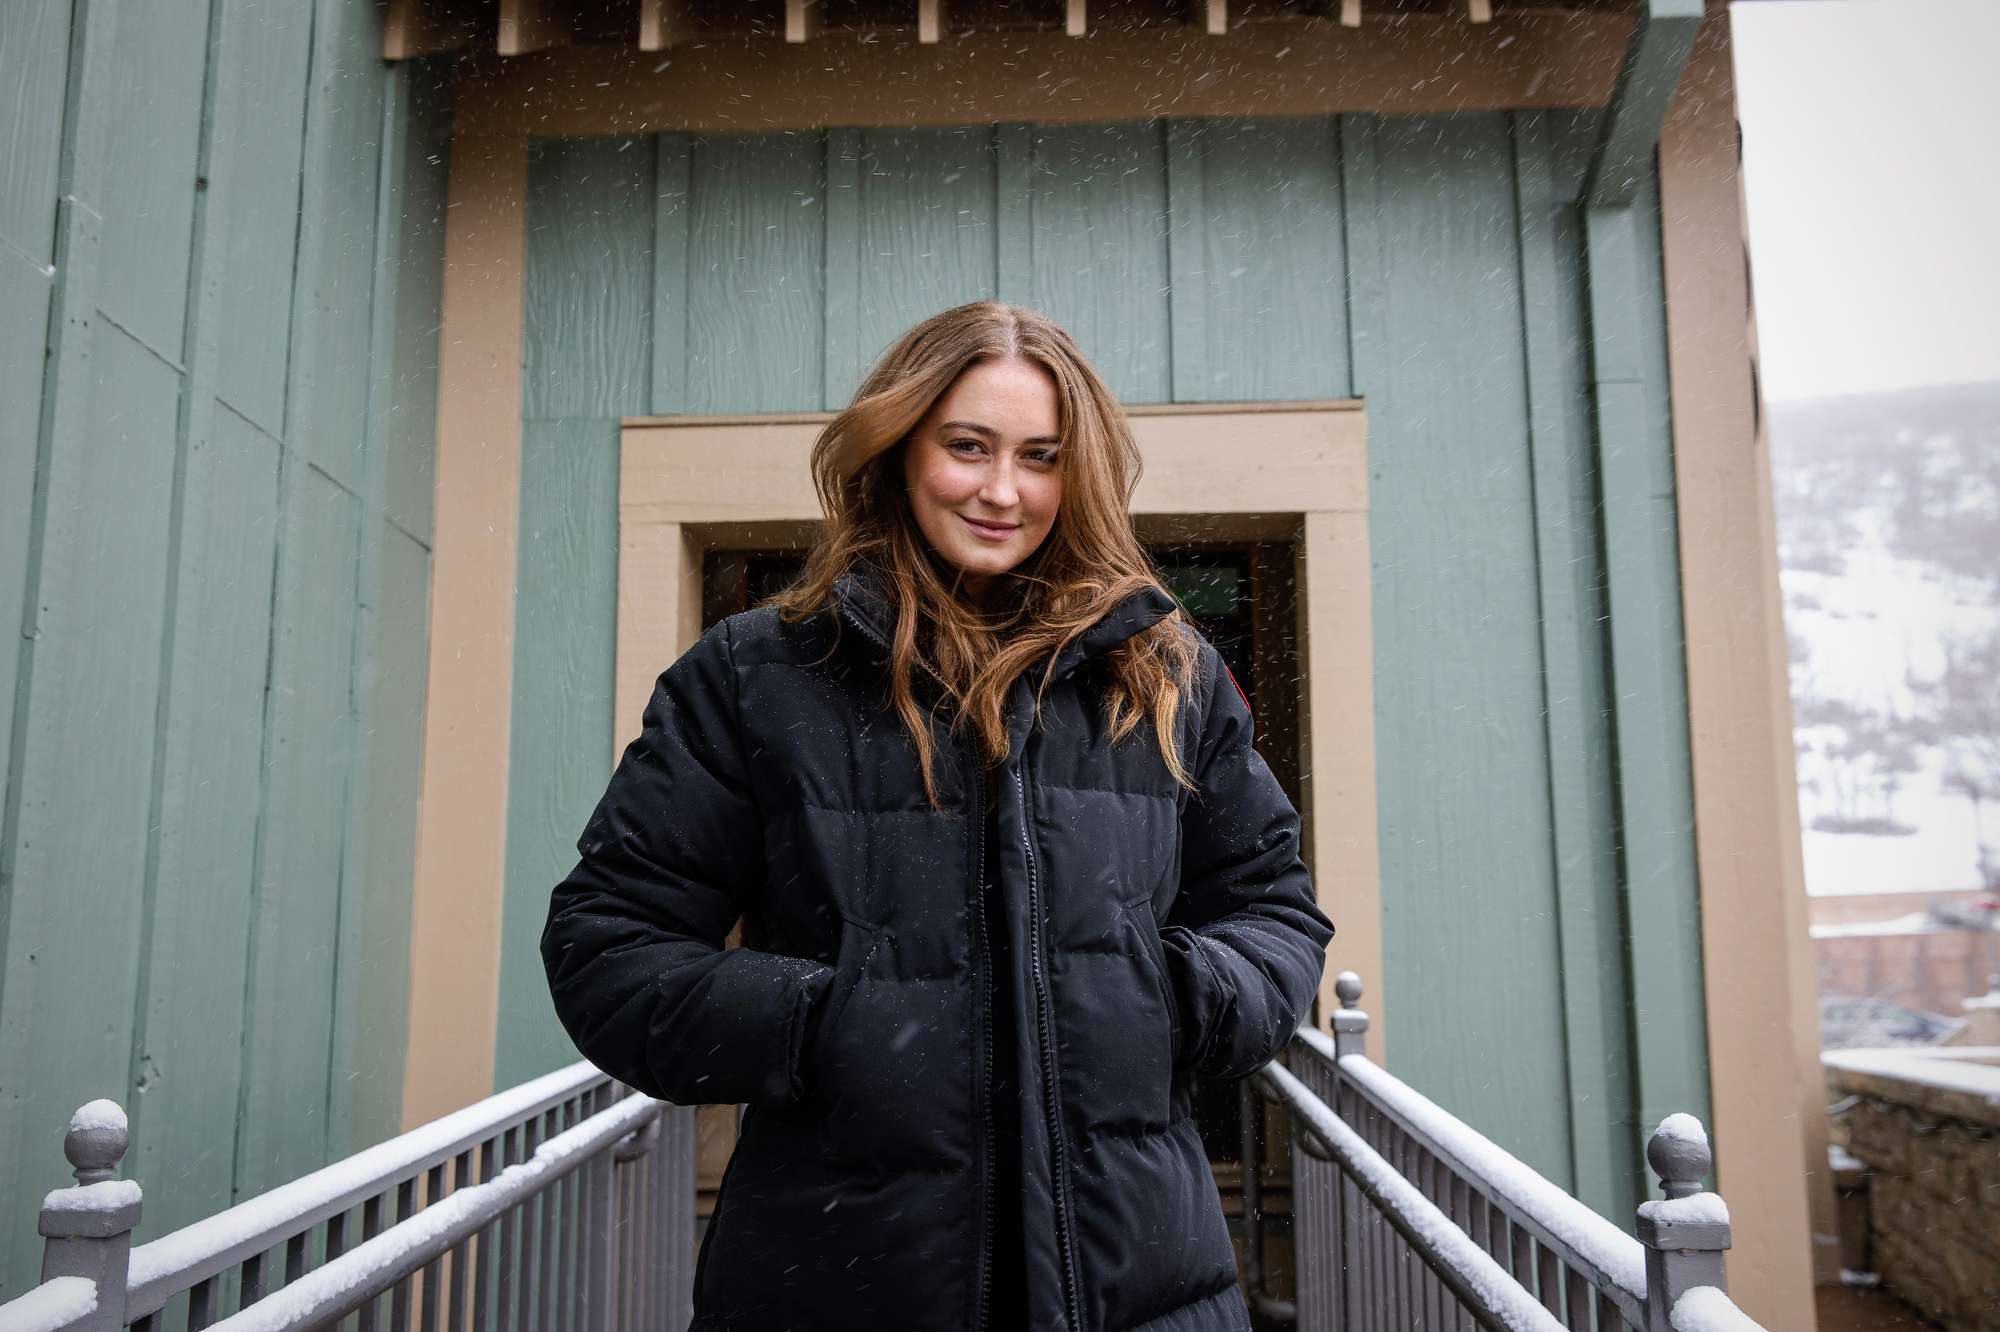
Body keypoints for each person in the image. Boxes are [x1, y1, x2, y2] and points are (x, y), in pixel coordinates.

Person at [542, 302, 1332, 1332]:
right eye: (967, 446)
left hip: (1140, 1289)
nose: (1003, 490)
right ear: (898, 449)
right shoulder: (751, 680)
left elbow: (1273, 914)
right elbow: (608, 950)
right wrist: (825, 1025)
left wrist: (1172, 1000)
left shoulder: (1168, 679)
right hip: (831, 1286)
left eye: (1040, 456)